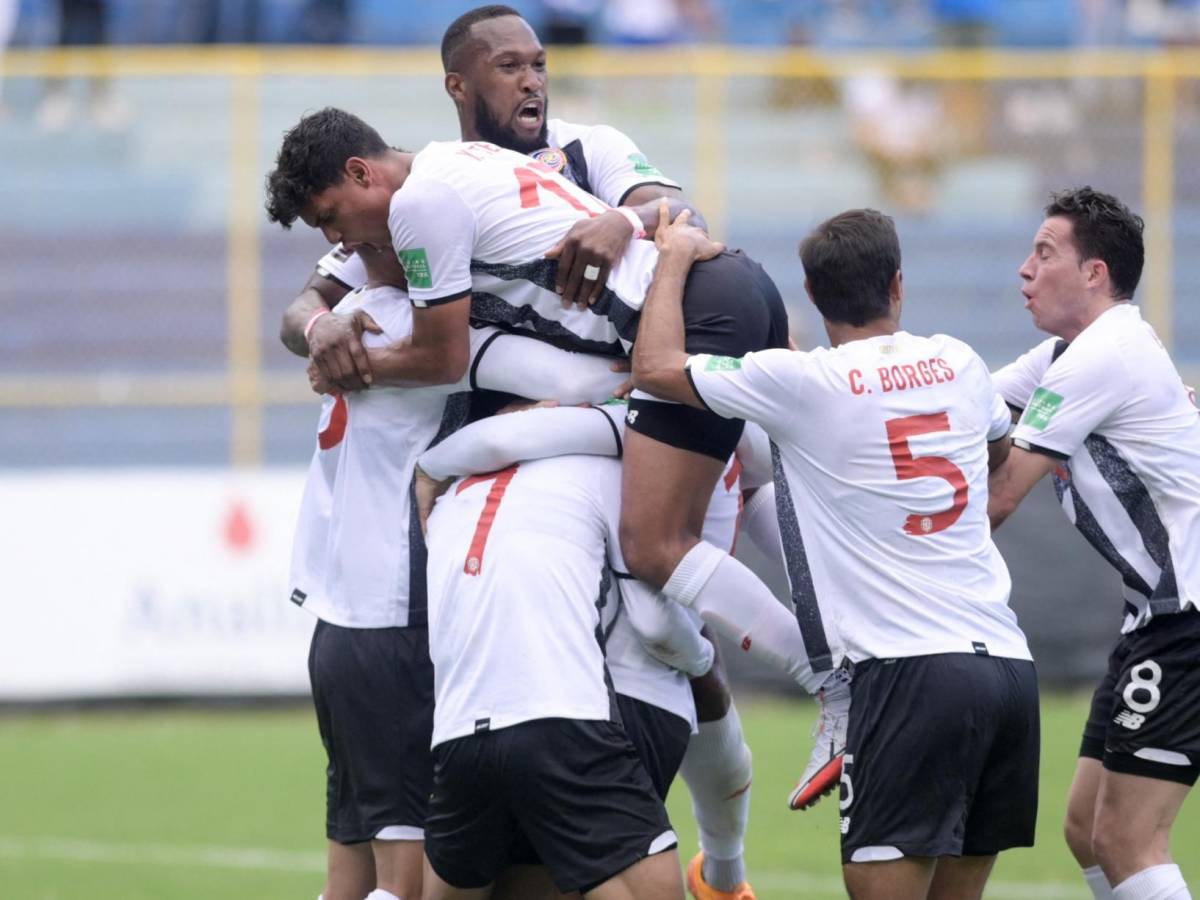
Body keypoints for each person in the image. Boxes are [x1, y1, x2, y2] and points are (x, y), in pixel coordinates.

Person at [264, 105, 831, 897]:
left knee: (660, 554)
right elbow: (542, 347)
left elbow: (437, 347)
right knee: (694, 573)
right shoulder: (469, 181)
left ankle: (827, 680)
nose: (350, 246)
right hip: (715, 296)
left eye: (338, 222)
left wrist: (370, 385)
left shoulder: (412, 242)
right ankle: (781, 771)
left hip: (364, 621)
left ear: (363, 176)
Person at [632, 203, 1039, 900]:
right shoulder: (960, 361)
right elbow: (997, 450)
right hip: (1008, 669)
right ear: (899, 285)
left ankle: (827, 685)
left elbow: (656, 366)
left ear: (813, 295)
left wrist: (672, 256)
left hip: (908, 674)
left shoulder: (805, 384)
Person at [290, 246, 625, 900]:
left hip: (342, 630)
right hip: (397, 623)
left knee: (349, 882)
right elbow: (587, 380)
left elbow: (300, 308)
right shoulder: (432, 334)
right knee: (409, 888)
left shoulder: (355, 314)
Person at [281, 4, 696, 392]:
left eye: (539, 65)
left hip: (621, 364)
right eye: (509, 67)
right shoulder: (432, 192)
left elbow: (686, 220)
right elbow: (305, 304)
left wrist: (623, 221)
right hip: (509, 393)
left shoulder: (589, 145)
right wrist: (320, 325)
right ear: (457, 87)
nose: (532, 81)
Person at [989, 187, 1199, 900]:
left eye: (1044, 252)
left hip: (1189, 618)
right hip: (1155, 620)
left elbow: (1000, 494)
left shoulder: (1101, 356)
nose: (1024, 269)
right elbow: (960, 407)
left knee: (1127, 836)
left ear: (1094, 274)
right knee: (1086, 826)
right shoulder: (1066, 353)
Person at [417, 439, 686, 900]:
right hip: (560, 718)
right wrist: (701, 657)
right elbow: (655, 620)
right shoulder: (599, 469)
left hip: (459, 738)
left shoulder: (448, 495)